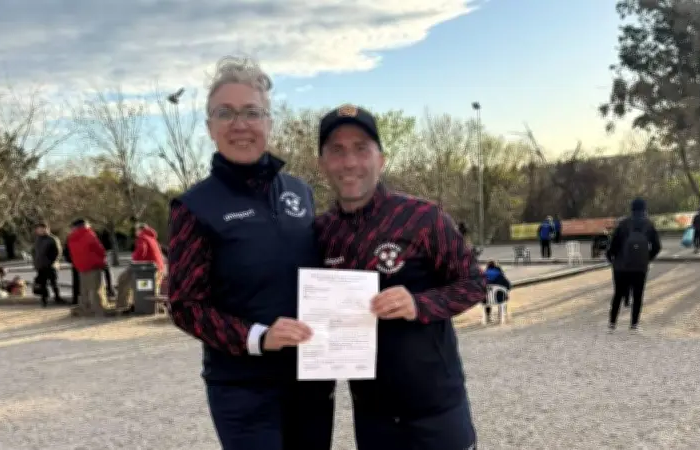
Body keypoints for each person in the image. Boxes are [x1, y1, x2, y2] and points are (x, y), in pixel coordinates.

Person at [166, 56, 333, 450]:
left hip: (309, 376)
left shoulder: (299, 192)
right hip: (242, 387)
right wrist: (258, 337)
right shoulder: (194, 206)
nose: (240, 124)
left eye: (252, 112)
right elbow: (185, 304)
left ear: (269, 123)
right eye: (225, 113)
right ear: (209, 127)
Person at [315, 104, 485, 450]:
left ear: (382, 159)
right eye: (337, 150)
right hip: (372, 415)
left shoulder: (423, 217)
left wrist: (418, 304)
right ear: (322, 164)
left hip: (436, 408)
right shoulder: (320, 233)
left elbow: (474, 283)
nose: (349, 162)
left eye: (361, 149)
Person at [605, 198, 662, 331]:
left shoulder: (623, 224)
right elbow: (657, 246)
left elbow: (613, 245)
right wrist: (647, 258)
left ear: (631, 209)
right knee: (638, 295)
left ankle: (612, 322)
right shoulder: (649, 224)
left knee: (618, 294)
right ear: (644, 209)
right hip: (639, 267)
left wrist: (612, 259)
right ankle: (634, 324)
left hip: (621, 266)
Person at [115, 223, 166, 310]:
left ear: (140, 230)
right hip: (158, 268)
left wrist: (134, 259)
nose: (135, 232)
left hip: (145, 268)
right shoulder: (152, 238)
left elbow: (142, 250)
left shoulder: (142, 238)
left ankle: (122, 304)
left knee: (122, 280)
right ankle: (156, 307)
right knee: (152, 287)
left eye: (136, 230)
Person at [65, 219, 109, 315]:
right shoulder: (89, 235)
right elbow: (100, 249)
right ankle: (98, 308)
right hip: (93, 264)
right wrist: (102, 259)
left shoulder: (72, 237)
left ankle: (85, 307)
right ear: (85, 225)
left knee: (84, 289)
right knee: (96, 288)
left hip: (81, 265)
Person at [32, 222, 64, 307]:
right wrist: (35, 263)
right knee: (42, 284)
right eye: (39, 229)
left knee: (54, 282)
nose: (40, 231)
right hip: (40, 265)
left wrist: (52, 262)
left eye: (42, 229)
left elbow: (58, 252)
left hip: (50, 265)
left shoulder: (52, 239)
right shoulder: (37, 240)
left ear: (47, 229)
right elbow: (34, 252)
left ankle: (57, 297)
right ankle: (44, 299)